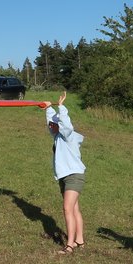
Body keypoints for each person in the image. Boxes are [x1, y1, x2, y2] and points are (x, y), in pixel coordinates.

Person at [45, 90, 86, 254]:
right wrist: (48, 109)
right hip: (64, 176)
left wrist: (61, 108)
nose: (52, 126)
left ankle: (69, 245)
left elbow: (66, 125)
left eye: (55, 124)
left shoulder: (68, 135)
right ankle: (79, 240)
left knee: (67, 209)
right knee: (74, 209)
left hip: (74, 176)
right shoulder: (57, 136)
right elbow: (51, 125)